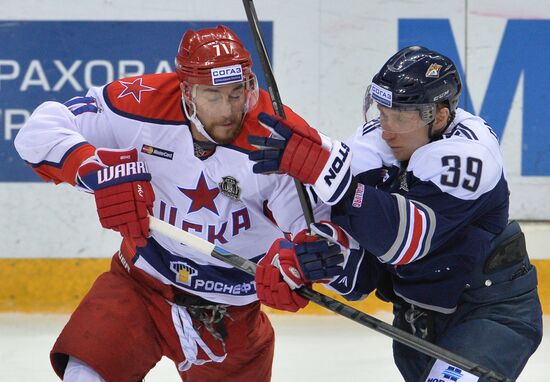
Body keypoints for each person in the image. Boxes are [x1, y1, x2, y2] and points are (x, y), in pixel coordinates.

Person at [14, 25, 329, 382]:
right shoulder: (140, 103)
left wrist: (296, 262)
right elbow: (38, 130)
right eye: (213, 95)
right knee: (84, 376)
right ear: (187, 92)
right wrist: (92, 169)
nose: (229, 110)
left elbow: (317, 229)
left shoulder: (278, 139)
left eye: (236, 93)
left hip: (232, 310)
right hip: (142, 284)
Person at [248, 46, 543, 381]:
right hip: (416, 321)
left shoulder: (471, 155)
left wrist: (336, 180)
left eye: (400, 117)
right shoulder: (374, 142)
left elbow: (407, 239)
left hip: (488, 313)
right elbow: (363, 271)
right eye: (383, 111)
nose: (386, 128)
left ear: (440, 116)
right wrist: (317, 258)